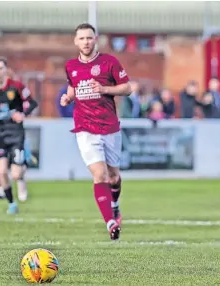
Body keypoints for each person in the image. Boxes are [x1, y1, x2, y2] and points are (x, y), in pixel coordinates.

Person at [60, 23, 131, 240]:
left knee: (113, 176)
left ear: (95, 39)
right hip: (85, 128)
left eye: (89, 38)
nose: (86, 42)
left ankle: (115, 205)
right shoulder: (71, 65)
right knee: (99, 174)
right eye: (81, 38)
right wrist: (68, 97)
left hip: (109, 126)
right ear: (76, 41)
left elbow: (127, 88)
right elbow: (73, 86)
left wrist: (104, 89)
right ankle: (110, 222)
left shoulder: (109, 62)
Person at [0, 57, 38, 214]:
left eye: (1, 68)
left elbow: (32, 103)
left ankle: (23, 167)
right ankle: (12, 203)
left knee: (16, 174)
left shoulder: (16, 87)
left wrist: (22, 113)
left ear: (6, 71)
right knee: (2, 171)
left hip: (16, 133)